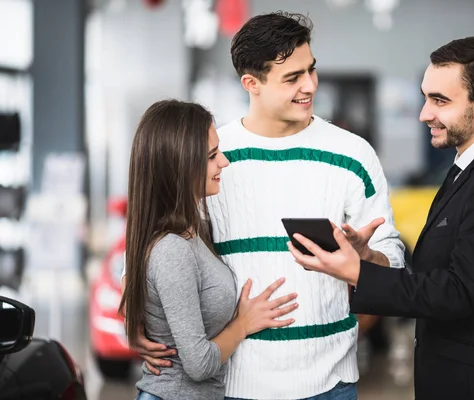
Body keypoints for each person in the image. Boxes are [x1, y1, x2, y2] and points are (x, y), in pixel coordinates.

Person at [130, 11, 404, 400]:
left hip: (331, 383)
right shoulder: (212, 158)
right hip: (236, 383)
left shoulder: (353, 154)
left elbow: (393, 263)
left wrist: (366, 259)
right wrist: (138, 314)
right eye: (292, 78)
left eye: (311, 70)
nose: (309, 85)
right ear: (251, 83)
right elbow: (157, 245)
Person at [288, 36, 474, 400]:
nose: (425, 113)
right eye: (426, 97)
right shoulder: (467, 170)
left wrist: (356, 273)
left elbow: (458, 292)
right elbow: (438, 277)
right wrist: (367, 259)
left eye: (440, 101)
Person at [120, 99, 299, 400]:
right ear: (180, 167)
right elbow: (199, 364)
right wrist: (243, 323)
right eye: (212, 156)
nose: (224, 162)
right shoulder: (172, 250)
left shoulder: (196, 230)